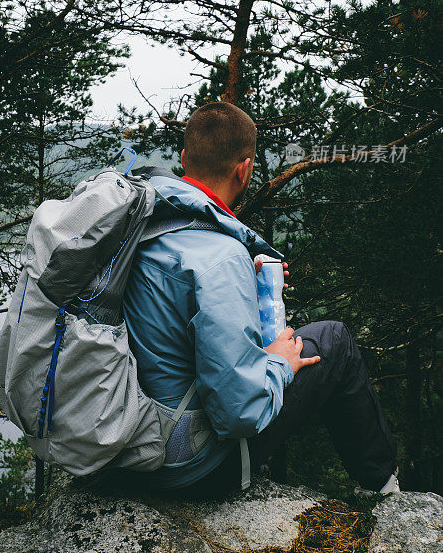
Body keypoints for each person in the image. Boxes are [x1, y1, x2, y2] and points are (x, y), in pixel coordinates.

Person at [123, 101, 399, 497]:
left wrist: (239, 288)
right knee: (334, 339)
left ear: (184, 159)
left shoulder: (142, 222)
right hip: (188, 469)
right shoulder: (220, 257)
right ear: (245, 169)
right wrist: (279, 364)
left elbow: (166, 320)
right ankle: (382, 488)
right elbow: (239, 413)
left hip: (124, 441)